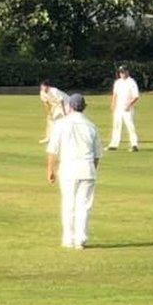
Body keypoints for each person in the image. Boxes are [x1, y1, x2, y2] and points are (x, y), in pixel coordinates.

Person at [47, 94, 102, 250]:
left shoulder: (61, 125)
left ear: (70, 106)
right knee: (84, 206)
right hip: (87, 169)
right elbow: (97, 155)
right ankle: (80, 239)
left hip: (69, 169)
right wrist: (92, 170)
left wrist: (50, 170)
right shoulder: (91, 126)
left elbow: (52, 150)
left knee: (69, 204)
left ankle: (68, 239)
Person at [108, 65, 140, 152]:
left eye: (124, 72)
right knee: (116, 125)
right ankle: (114, 144)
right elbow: (115, 94)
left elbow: (136, 96)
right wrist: (113, 104)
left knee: (130, 126)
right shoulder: (118, 82)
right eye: (121, 72)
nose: (122, 74)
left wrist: (129, 105)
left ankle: (134, 144)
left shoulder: (131, 82)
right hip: (118, 108)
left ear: (127, 72)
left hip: (127, 109)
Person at [38, 80, 70, 144]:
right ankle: (48, 138)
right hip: (56, 106)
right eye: (41, 87)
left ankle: (69, 138)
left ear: (47, 86)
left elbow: (61, 101)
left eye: (43, 87)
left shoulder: (54, 90)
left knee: (67, 120)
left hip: (67, 104)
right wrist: (49, 113)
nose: (42, 88)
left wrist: (64, 113)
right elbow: (46, 104)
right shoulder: (42, 92)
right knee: (50, 120)